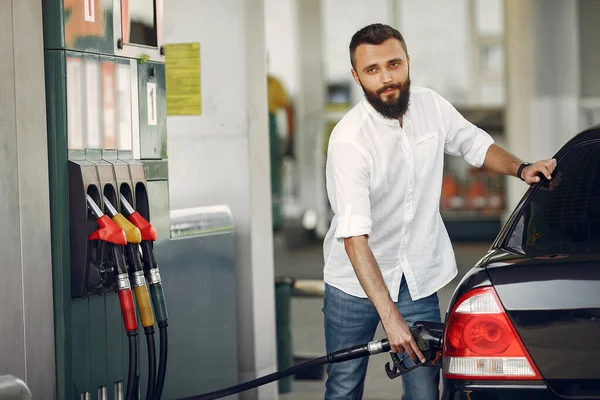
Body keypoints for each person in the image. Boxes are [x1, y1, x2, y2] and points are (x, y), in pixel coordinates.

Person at [322, 23, 556, 400]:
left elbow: (474, 144)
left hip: (417, 277)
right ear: (356, 76)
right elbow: (354, 239)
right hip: (353, 288)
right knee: (344, 387)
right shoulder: (350, 141)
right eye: (372, 70)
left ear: (408, 62)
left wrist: (521, 168)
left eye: (394, 64)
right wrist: (390, 318)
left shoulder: (430, 106)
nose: (386, 78)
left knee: (425, 392)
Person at [267, 73, 295, 231]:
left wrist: (290, 139)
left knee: (274, 177)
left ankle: (275, 219)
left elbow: (288, 110)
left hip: (269, 134)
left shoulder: (273, 83)